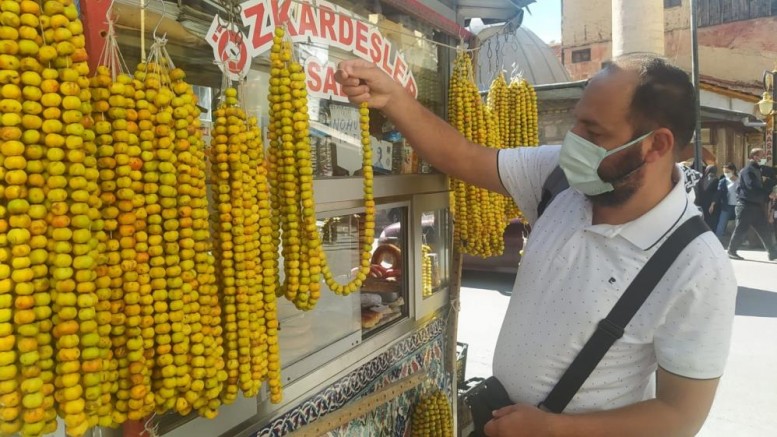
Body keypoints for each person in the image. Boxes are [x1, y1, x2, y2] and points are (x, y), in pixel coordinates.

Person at [335, 54, 736, 436]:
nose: (573, 140)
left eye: (594, 132)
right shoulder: (560, 179)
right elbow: (461, 155)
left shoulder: (697, 268)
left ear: (657, 145)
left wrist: (552, 430)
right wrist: (393, 98)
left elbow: (680, 416)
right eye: (577, 122)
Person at [726, 148, 777, 261]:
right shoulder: (747, 170)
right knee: (741, 229)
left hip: (756, 206)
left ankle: (773, 253)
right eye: (762, 155)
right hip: (746, 205)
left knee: (764, 230)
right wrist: (768, 193)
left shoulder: (757, 169)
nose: (764, 158)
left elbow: (771, 175)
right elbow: (752, 187)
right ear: (755, 157)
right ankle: (731, 251)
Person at [710, 163, 739, 238]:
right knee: (721, 224)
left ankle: (740, 240)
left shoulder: (740, 180)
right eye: (724, 172)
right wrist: (712, 204)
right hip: (727, 206)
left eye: (728, 172)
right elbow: (718, 193)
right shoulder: (723, 181)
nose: (726, 174)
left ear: (733, 171)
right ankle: (717, 240)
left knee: (739, 224)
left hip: (738, 206)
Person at [695, 165, 720, 229]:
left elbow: (716, 193)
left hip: (709, 203)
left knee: (709, 220)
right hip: (701, 202)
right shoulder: (702, 179)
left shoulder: (716, 180)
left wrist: (712, 204)